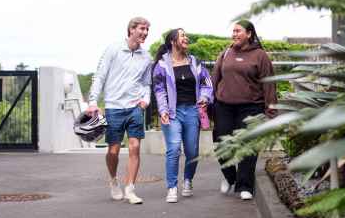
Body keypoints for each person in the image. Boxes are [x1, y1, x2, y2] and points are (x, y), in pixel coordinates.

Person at [87, 17, 152, 204]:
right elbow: (99, 76)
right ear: (131, 29)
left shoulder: (146, 57)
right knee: (113, 151)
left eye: (148, 30)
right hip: (114, 107)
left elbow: (146, 84)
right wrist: (93, 101)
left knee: (135, 146)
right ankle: (114, 180)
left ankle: (130, 188)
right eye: (142, 29)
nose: (145, 33)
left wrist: (145, 100)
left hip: (135, 108)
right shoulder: (113, 50)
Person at [212, 20, 277, 200]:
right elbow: (215, 78)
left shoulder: (260, 55)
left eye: (238, 31)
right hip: (224, 106)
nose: (234, 34)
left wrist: (271, 112)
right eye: (233, 31)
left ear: (249, 34)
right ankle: (229, 176)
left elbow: (269, 84)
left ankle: (245, 186)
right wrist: (210, 101)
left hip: (251, 107)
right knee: (220, 143)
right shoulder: (226, 53)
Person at [152, 28, 213, 203]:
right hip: (172, 113)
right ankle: (172, 187)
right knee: (173, 149)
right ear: (173, 41)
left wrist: (204, 98)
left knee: (192, 151)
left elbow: (206, 84)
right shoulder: (162, 65)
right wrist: (163, 110)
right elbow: (159, 90)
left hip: (192, 111)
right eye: (182, 35)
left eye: (186, 35)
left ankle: (188, 180)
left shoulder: (195, 62)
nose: (186, 38)